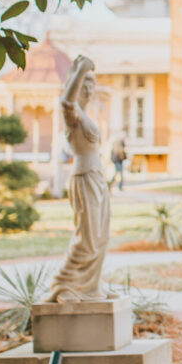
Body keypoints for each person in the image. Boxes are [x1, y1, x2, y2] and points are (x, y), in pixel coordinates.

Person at [45, 56, 111, 302]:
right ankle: (64, 285)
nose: (90, 90)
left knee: (101, 237)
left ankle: (91, 287)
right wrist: (82, 68)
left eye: (92, 85)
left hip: (97, 178)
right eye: (85, 84)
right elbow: (65, 101)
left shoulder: (86, 115)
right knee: (88, 238)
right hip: (84, 178)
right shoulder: (72, 115)